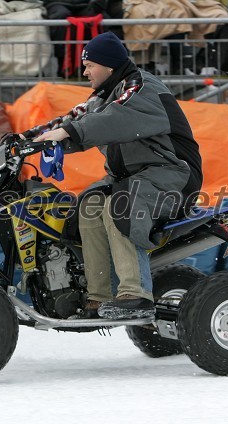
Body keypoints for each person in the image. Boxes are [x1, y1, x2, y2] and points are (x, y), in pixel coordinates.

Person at [21, 32, 203, 320]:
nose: (84, 71)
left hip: (174, 174)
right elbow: (75, 120)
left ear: (108, 65)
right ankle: (97, 298)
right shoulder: (104, 96)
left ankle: (135, 294)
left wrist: (68, 132)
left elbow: (113, 120)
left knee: (120, 204)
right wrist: (27, 139)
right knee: (90, 205)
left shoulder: (139, 88)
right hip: (134, 177)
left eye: (90, 64)